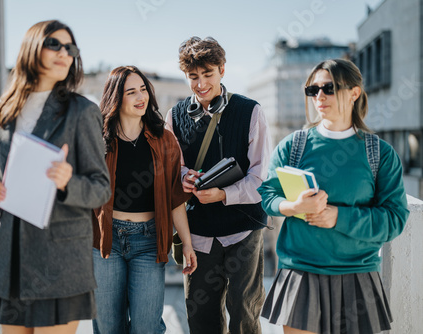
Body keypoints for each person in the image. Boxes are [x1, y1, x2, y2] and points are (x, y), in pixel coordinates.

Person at [258, 59, 410, 334]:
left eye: (328, 88)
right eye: (312, 90)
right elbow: (267, 196)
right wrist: (293, 206)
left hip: (357, 276)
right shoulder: (293, 146)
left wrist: (338, 217)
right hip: (300, 275)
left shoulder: (380, 153)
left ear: (354, 92)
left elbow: (395, 218)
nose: (319, 96)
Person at [0, 20, 111, 333]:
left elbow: (101, 189)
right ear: (31, 48)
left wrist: (69, 181)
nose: (64, 53)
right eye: (55, 44)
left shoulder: (82, 111)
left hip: (61, 261)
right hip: (11, 260)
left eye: (71, 48)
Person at [165, 36, 272, 334]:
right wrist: (184, 175)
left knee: (244, 315)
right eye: (193, 77)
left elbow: (261, 178)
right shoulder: (173, 116)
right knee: (201, 317)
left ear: (222, 69)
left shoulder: (251, 111)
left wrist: (224, 194)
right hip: (197, 233)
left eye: (208, 74)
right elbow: (170, 168)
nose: (200, 84)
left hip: (243, 230)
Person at [92, 65, 197, 334]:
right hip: (105, 241)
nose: (141, 97)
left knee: (146, 327)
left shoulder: (164, 140)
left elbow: (175, 197)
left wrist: (186, 243)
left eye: (143, 90)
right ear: (116, 98)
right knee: (108, 327)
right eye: (131, 92)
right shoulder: (98, 139)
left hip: (148, 241)